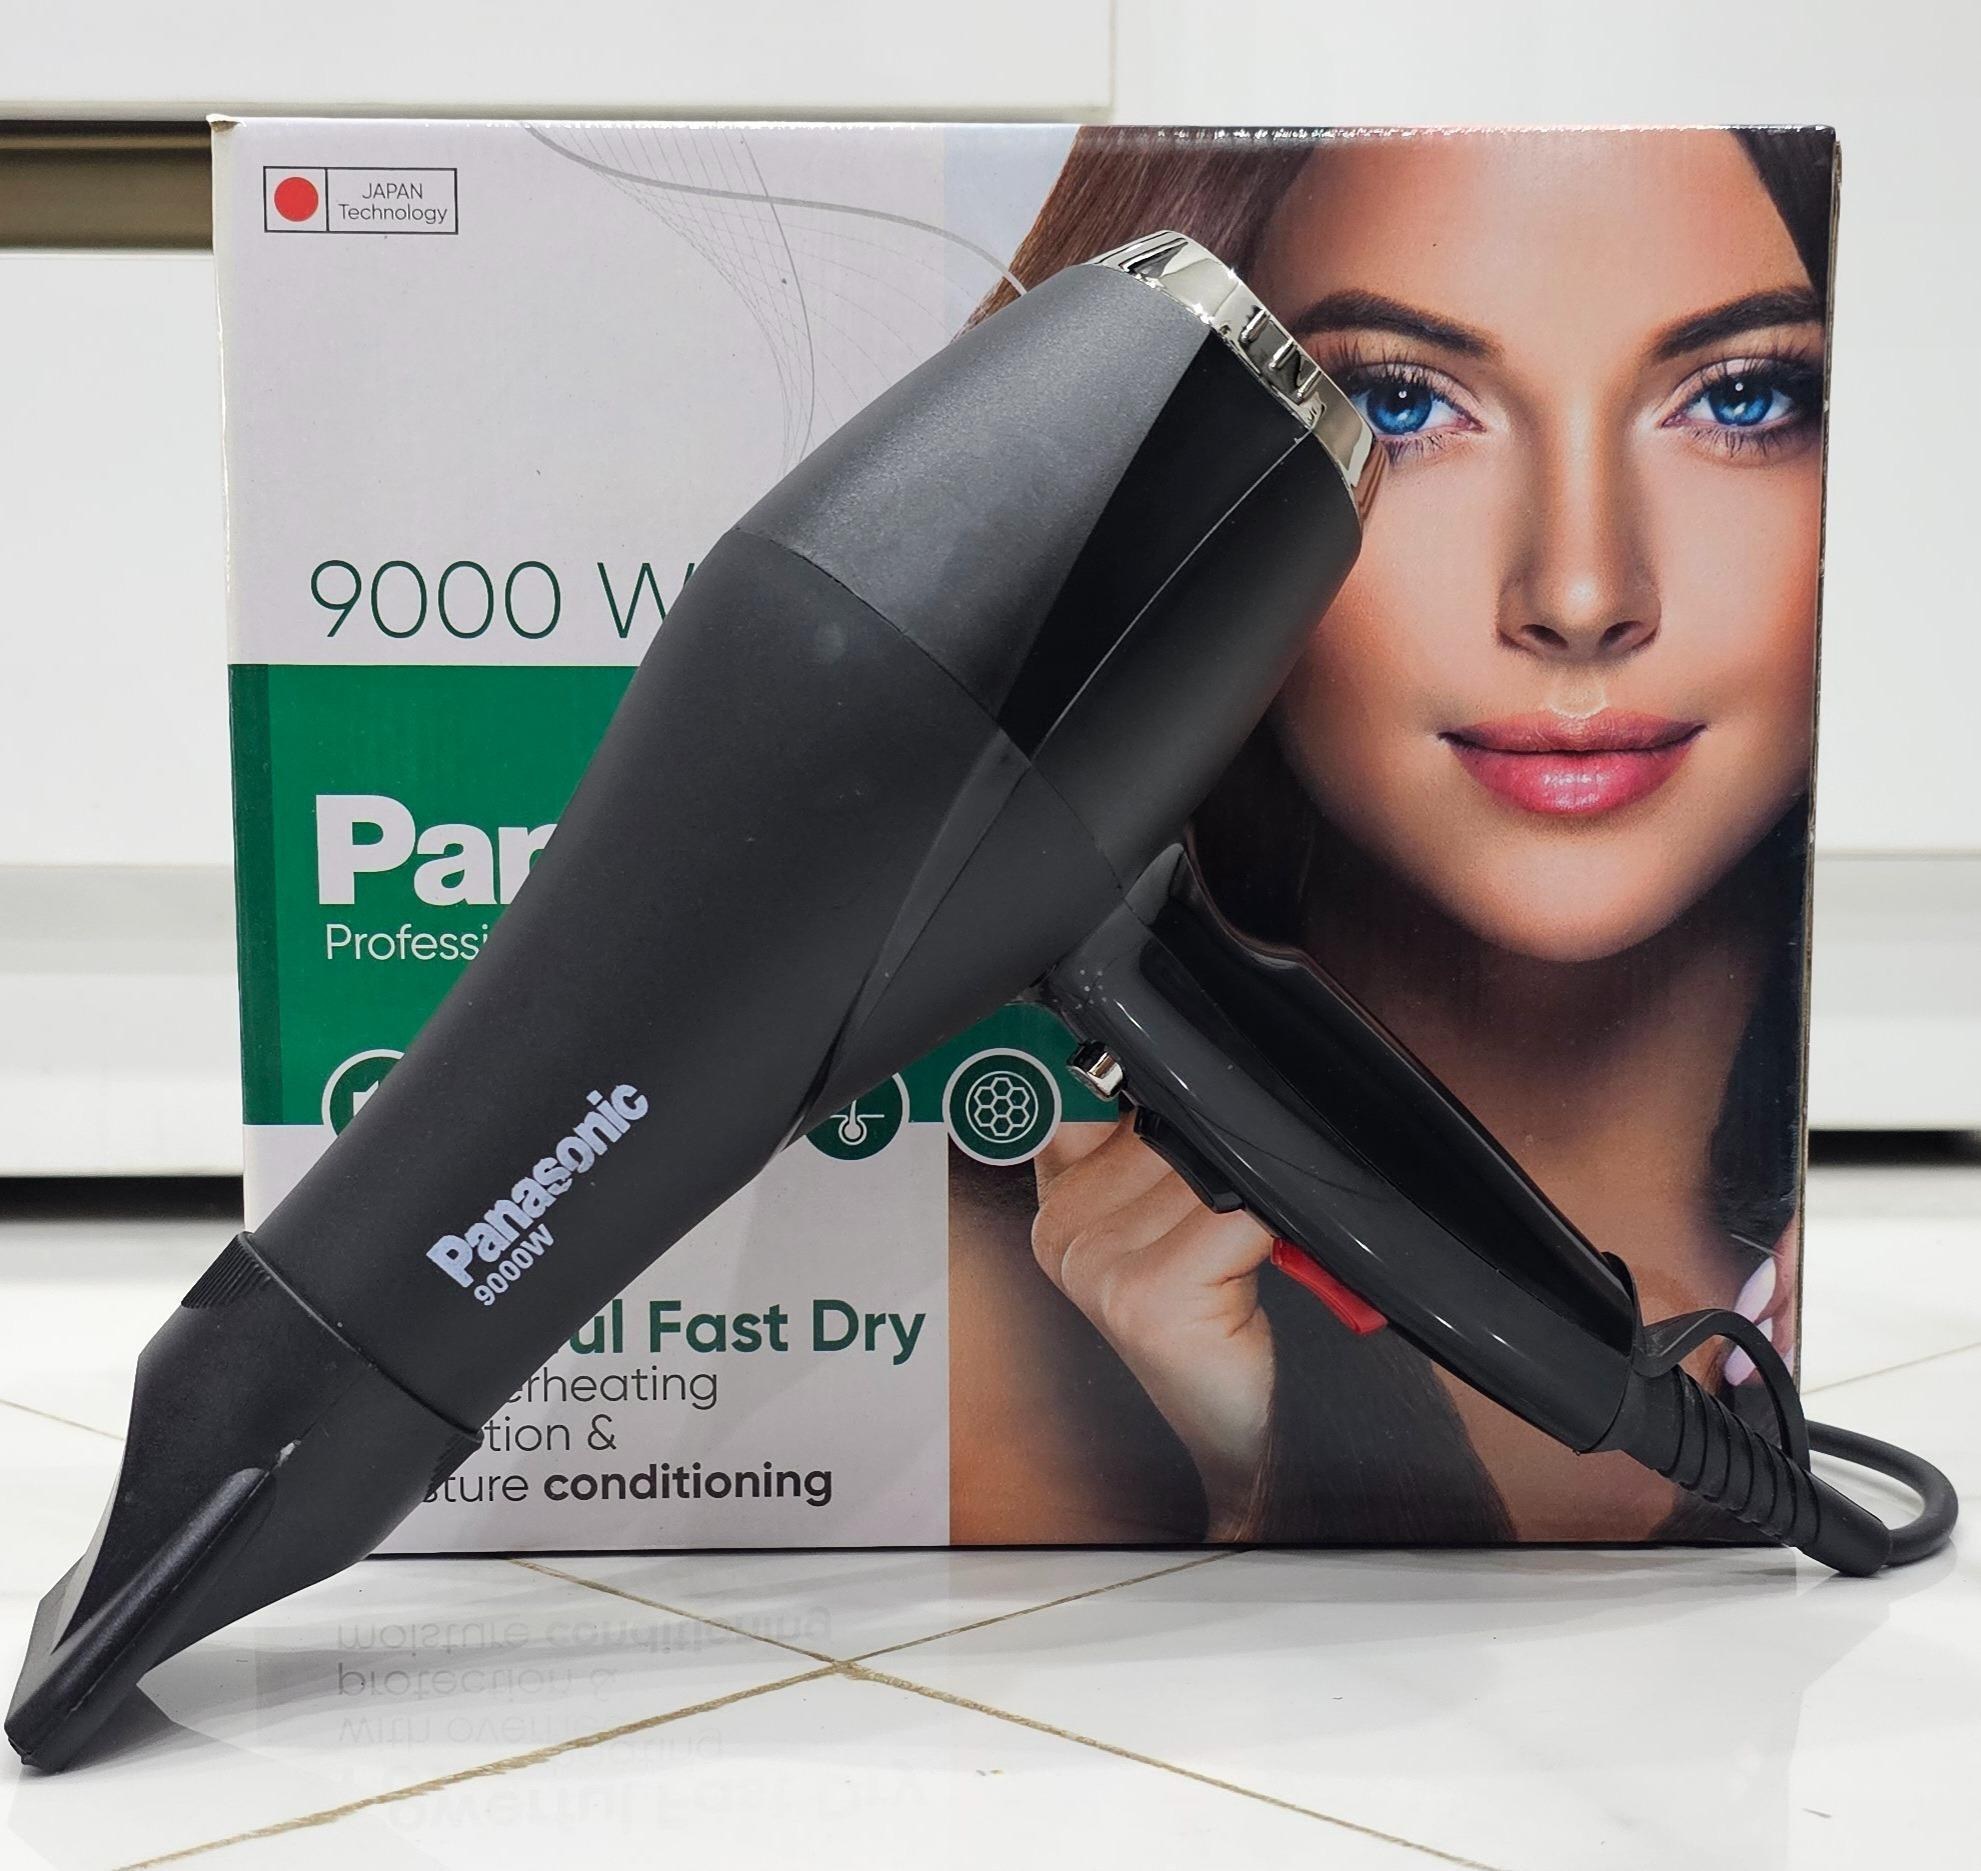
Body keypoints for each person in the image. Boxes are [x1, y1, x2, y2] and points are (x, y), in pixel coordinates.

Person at [949, 126, 1831, 1546]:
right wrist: (1260, 1464)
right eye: (1400, 406)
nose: (1581, 594)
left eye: (1740, 398)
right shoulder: (976, 1323)